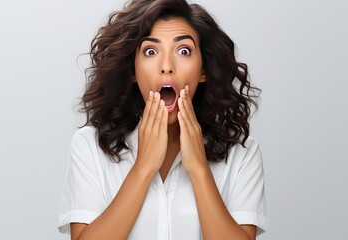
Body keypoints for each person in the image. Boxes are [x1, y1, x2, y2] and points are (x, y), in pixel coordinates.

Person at [57, 0, 268, 239]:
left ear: (203, 71)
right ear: (133, 71)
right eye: (150, 51)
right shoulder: (89, 146)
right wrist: (143, 167)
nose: (167, 66)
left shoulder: (243, 153)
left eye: (184, 51)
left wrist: (200, 170)